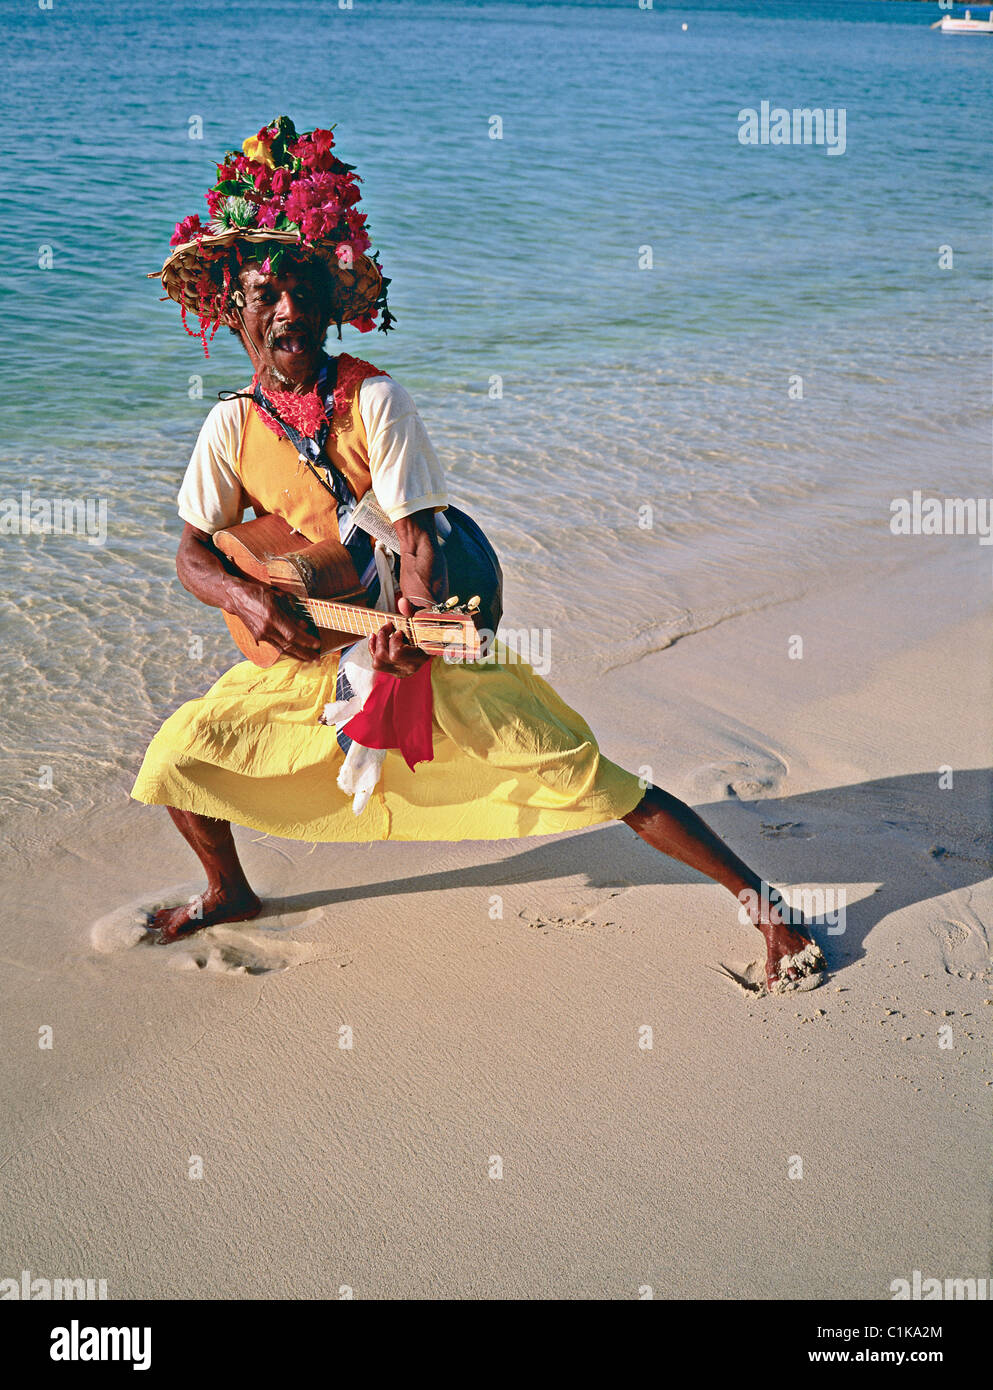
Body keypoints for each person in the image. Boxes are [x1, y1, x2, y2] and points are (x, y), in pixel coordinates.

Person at [132, 117, 825, 994]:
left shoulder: (374, 399)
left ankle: (766, 909)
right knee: (177, 761)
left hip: (411, 636)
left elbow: (417, 534)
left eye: (305, 287)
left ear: (330, 299)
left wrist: (411, 626)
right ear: (234, 308)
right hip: (303, 643)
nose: (289, 310)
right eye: (267, 293)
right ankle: (229, 890)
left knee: (581, 772)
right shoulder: (228, 423)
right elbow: (193, 552)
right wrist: (243, 600)